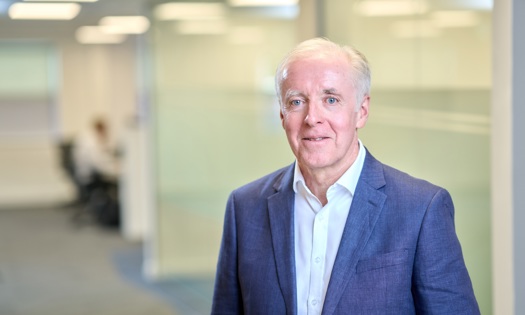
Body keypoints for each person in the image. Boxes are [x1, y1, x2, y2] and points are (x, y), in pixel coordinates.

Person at [211, 38, 480, 314]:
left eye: (330, 99)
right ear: (282, 115)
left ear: (361, 111)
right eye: (297, 101)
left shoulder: (421, 209)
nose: (312, 117)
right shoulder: (244, 208)